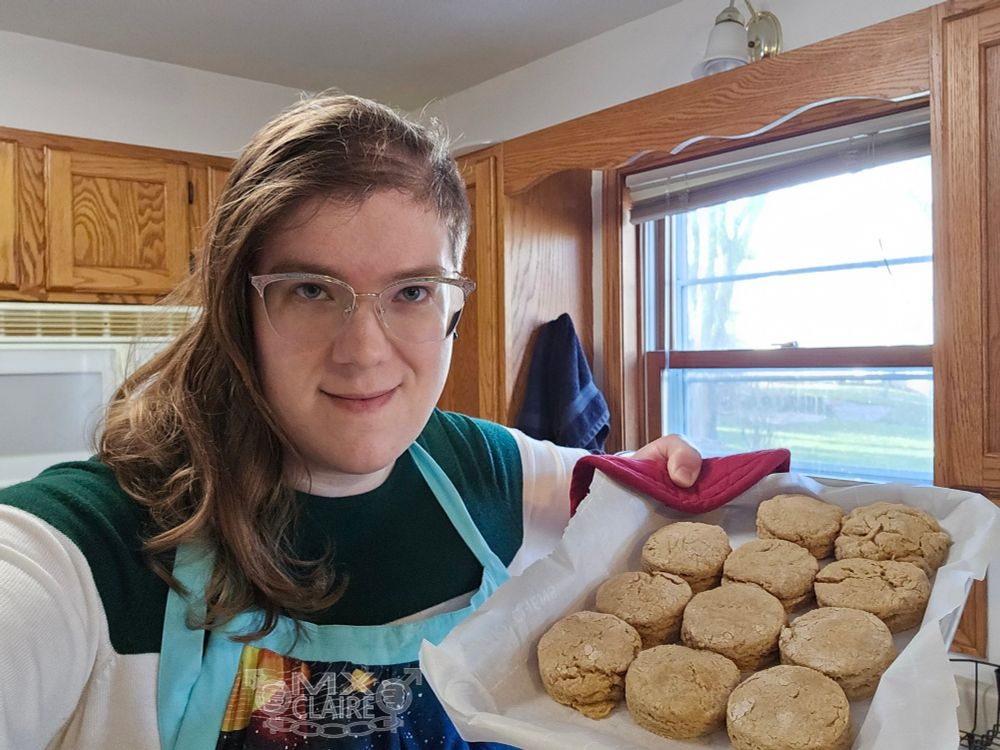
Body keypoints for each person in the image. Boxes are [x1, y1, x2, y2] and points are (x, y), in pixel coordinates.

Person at [0, 92, 701, 749]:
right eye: (310, 289)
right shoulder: (95, 543)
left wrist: (677, 481)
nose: (364, 352)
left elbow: (635, 494)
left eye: (413, 291)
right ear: (237, 309)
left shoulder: (488, 471)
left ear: (452, 304)